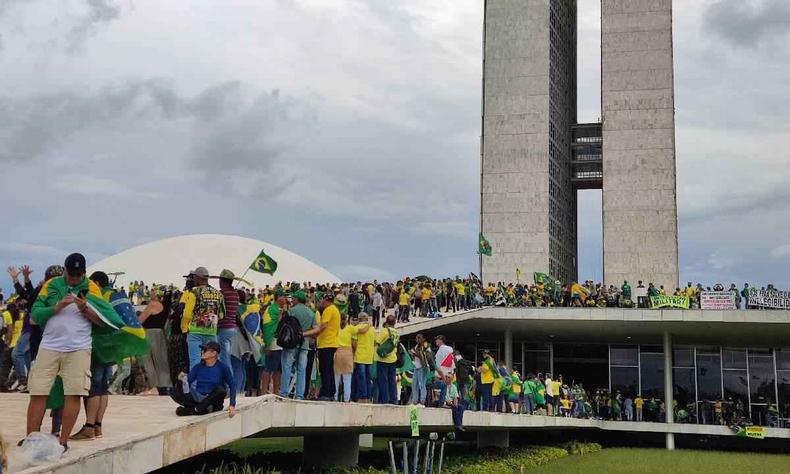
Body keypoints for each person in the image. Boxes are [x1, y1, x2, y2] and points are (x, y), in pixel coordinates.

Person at [25, 253, 123, 452]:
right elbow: (35, 313)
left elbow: (108, 321)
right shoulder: (51, 285)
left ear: (84, 273)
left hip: (79, 348)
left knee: (75, 392)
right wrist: (57, 306)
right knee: (38, 391)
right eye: (71, 274)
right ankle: (30, 439)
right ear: (65, 270)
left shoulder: (92, 288)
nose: (74, 279)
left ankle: (63, 441)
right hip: (50, 346)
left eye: (78, 275)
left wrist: (86, 309)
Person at [70, 271, 117, 441]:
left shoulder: (97, 296)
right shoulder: (114, 295)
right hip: (110, 346)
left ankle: (89, 426)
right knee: (103, 386)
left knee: (94, 387)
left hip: (97, 345)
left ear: (96, 282)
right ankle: (98, 426)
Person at [171, 341, 236, 417]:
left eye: (205, 350)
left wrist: (232, 405)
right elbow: (188, 382)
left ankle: (196, 410)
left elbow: (232, 385)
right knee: (173, 391)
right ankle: (200, 409)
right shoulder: (198, 367)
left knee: (221, 390)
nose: (202, 352)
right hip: (198, 398)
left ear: (213, 353)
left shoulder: (223, 367)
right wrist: (181, 379)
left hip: (213, 400)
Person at [180, 267, 225, 369]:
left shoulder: (194, 292)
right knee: (211, 362)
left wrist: (184, 328)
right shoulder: (218, 294)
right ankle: (210, 384)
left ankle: (195, 385)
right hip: (211, 332)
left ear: (197, 278)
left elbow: (187, 314)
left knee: (195, 362)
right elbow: (222, 315)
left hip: (195, 332)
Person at [279, 289, 319, 400]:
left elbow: (282, 324)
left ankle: (284, 393)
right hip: (304, 344)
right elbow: (317, 329)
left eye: (294, 299)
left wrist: (281, 314)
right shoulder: (311, 312)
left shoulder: (291, 311)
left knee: (286, 367)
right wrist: (304, 334)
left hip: (291, 344)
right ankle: (299, 395)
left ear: (297, 299)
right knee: (302, 370)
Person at [138, 288, 172, 395]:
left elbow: (139, 320)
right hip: (160, 334)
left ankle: (154, 386)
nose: (150, 293)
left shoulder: (153, 305)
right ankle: (165, 386)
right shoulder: (165, 306)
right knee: (161, 361)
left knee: (148, 361)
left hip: (149, 334)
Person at [334, 313, 369, 402]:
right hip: (347, 353)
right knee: (347, 378)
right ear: (346, 319)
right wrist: (369, 325)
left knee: (336, 377)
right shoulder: (350, 328)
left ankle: (335, 397)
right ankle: (346, 399)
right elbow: (363, 330)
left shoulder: (336, 328)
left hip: (337, 352)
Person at [216, 270, 241, 388]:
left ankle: (228, 388)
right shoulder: (235, 294)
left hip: (223, 329)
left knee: (224, 360)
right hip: (233, 329)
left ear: (222, 280)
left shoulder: (221, 293)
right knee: (226, 358)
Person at [315, 293, 341, 400]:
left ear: (325, 300)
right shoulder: (335, 310)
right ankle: (330, 391)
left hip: (326, 343)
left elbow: (324, 325)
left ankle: (326, 392)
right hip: (332, 343)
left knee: (324, 369)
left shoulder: (328, 310)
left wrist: (315, 334)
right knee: (328, 369)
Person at [374, 315, 399, 404]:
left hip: (383, 359)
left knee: (383, 380)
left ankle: (385, 400)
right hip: (393, 359)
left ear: (386, 322)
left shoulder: (385, 331)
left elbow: (376, 341)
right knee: (392, 380)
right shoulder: (396, 332)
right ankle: (393, 399)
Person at [351, 311, 375, 403]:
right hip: (369, 356)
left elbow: (354, 344)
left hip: (360, 355)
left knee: (361, 378)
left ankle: (362, 396)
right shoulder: (372, 329)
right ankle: (368, 397)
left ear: (359, 319)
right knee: (368, 378)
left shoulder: (356, 328)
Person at [409, 333, 433, 406]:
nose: (417, 339)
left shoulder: (426, 346)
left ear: (423, 339)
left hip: (423, 368)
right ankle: (415, 401)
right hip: (416, 367)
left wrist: (415, 353)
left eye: (419, 338)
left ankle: (422, 401)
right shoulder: (416, 346)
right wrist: (412, 354)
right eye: (416, 338)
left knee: (421, 384)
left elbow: (426, 357)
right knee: (414, 385)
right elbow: (415, 358)